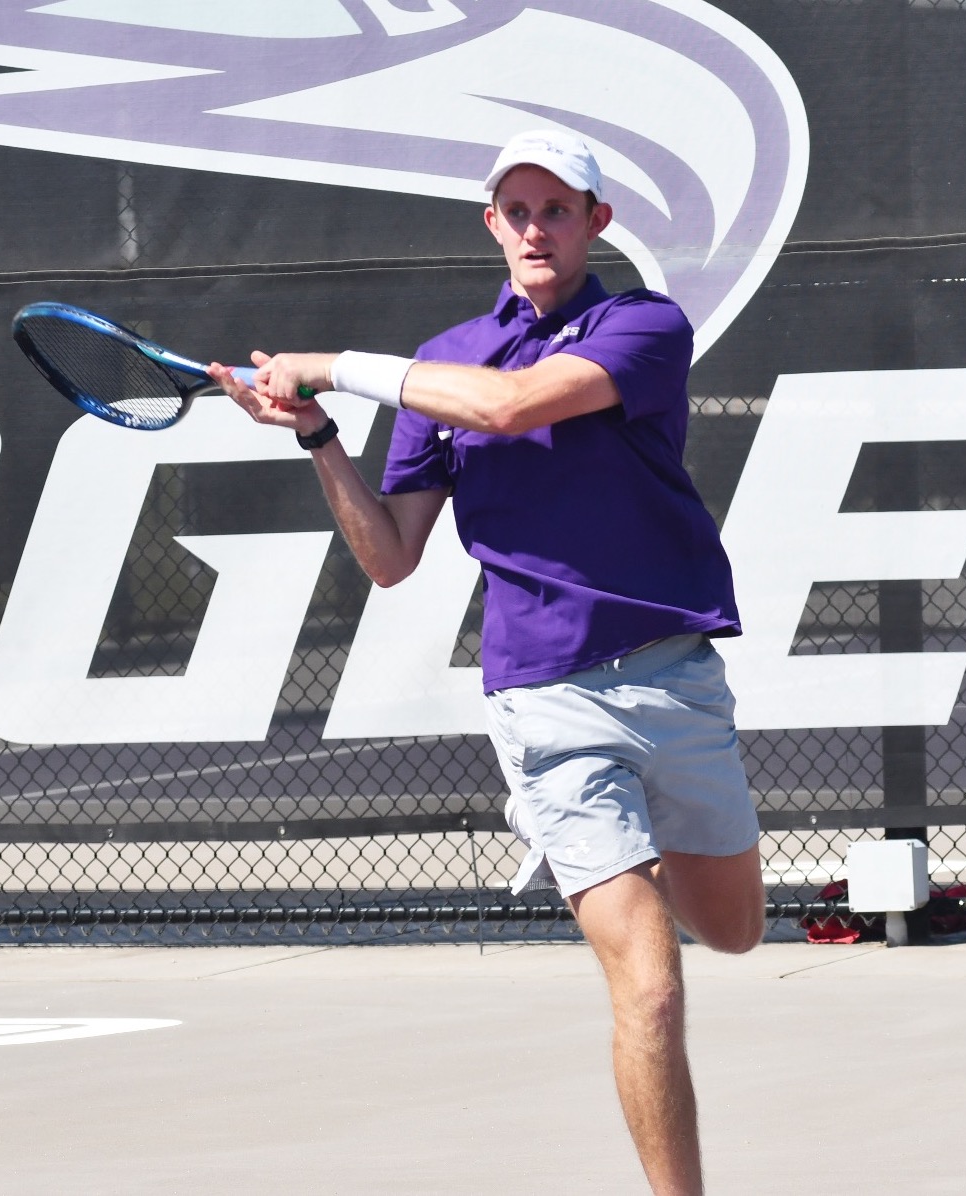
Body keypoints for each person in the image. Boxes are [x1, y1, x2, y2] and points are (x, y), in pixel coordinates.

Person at [210, 130, 764, 1196]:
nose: (534, 228)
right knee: (649, 989)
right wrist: (318, 432)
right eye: (515, 210)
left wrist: (333, 365)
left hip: (673, 680)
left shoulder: (642, 326)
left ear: (595, 222)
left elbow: (508, 406)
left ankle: (628, 842)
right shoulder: (446, 355)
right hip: (543, 700)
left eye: (556, 208)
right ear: (490, 225)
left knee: (733, 931)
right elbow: (388, 555)